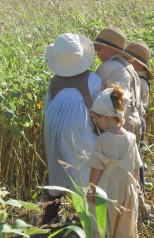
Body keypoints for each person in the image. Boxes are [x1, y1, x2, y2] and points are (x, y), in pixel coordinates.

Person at [42, 33, 102, 224]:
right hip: (77, 124)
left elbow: (46, 108)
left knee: (56, 167)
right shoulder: (93, 79)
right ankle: (88, 219)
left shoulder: (53, 82)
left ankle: (49, 217)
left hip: (52, 122)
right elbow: (99, 109)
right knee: (84, 168)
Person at [87, 86, 142, 238]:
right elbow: (136, 167)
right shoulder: (131, 138)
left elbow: (96, 169)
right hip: (127, 188)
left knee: (104, 224)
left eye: (97, 119)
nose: (98, 123)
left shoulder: (102, 140)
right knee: (125, 225)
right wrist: (134, 186)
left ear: (104, 117)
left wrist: (91, 191)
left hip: (107, 189)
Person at [93, 27, 142, 146]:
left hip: (118, 123)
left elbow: (95, 94)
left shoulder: (107, 67)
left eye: (99, 48)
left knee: (114, 162)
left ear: (112, 51)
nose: (97, 52)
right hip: (135, 119)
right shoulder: (129, 67)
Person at [125, 42, 154, 219]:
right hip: (138, 121)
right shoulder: (138, 79)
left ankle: (140, 190)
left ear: (138, 63)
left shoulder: (139, 81)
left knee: (137, 158)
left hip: (137, 121)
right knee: (137, 156)